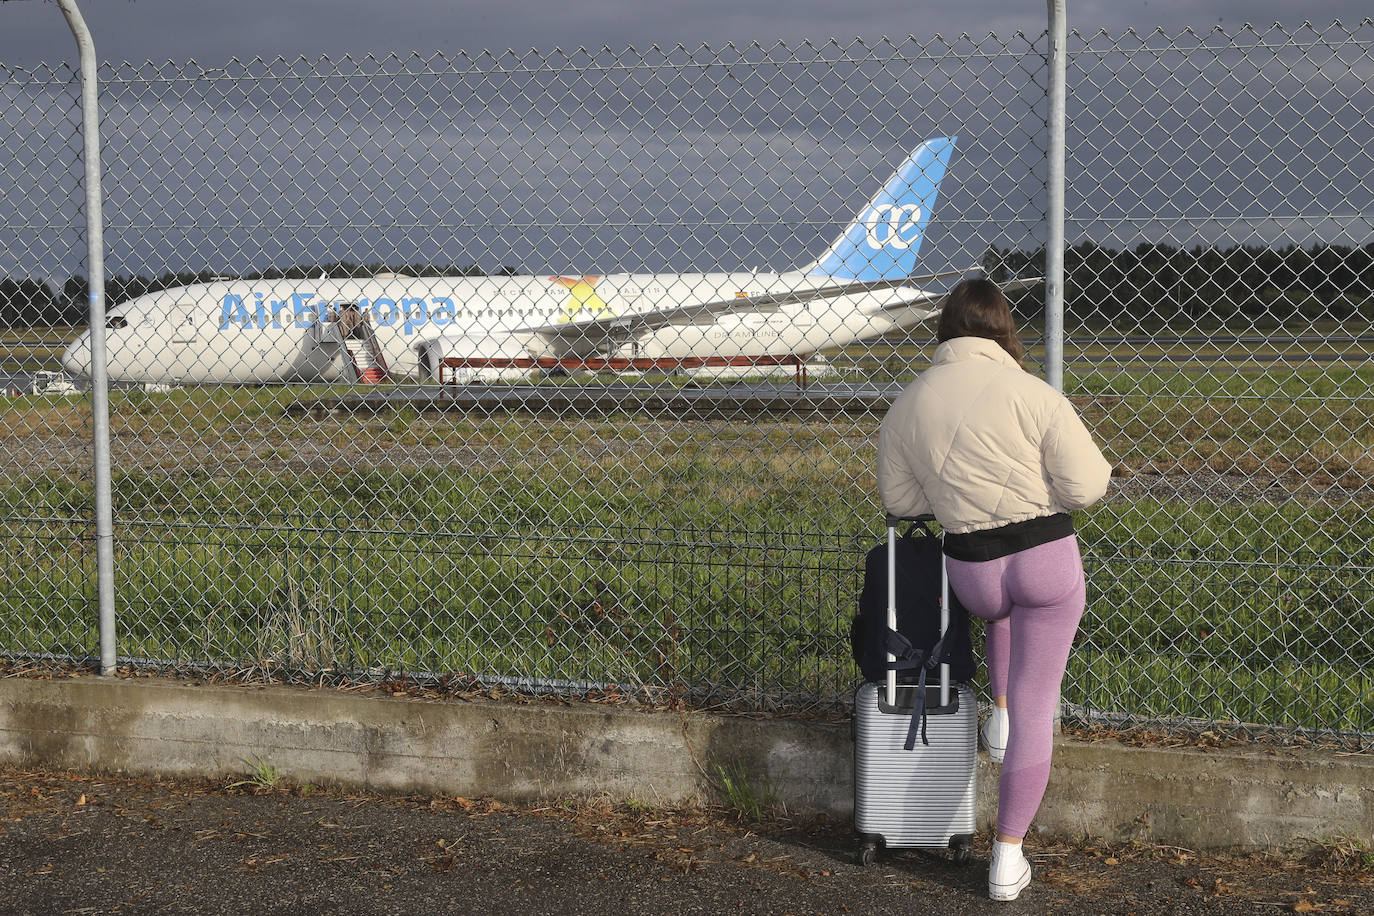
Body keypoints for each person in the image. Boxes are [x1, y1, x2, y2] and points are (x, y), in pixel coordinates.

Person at [876, 277, 1111, 902]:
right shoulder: (1035, 395)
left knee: (1000, 617)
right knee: (1043, 700)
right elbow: (1087, 487)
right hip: (1044, 558)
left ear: (945, 332)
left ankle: (997, 719)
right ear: (1004, 331)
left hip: (972, 569)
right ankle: (1007, 855)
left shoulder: (907, 405)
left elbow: (900, 501)